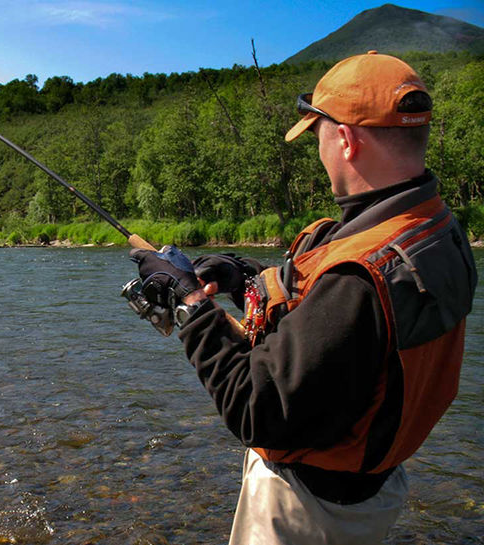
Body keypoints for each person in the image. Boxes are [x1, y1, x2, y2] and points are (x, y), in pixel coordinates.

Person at [128, 51, 477, 544]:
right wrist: (239, 275)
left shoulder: (358, 280)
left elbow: (256, 411)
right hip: (370, 488)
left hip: (310, 511)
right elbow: (328, 316)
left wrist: (189, 302)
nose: (319, 152)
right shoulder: (437, 231)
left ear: (346, 139)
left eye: (317, 137)